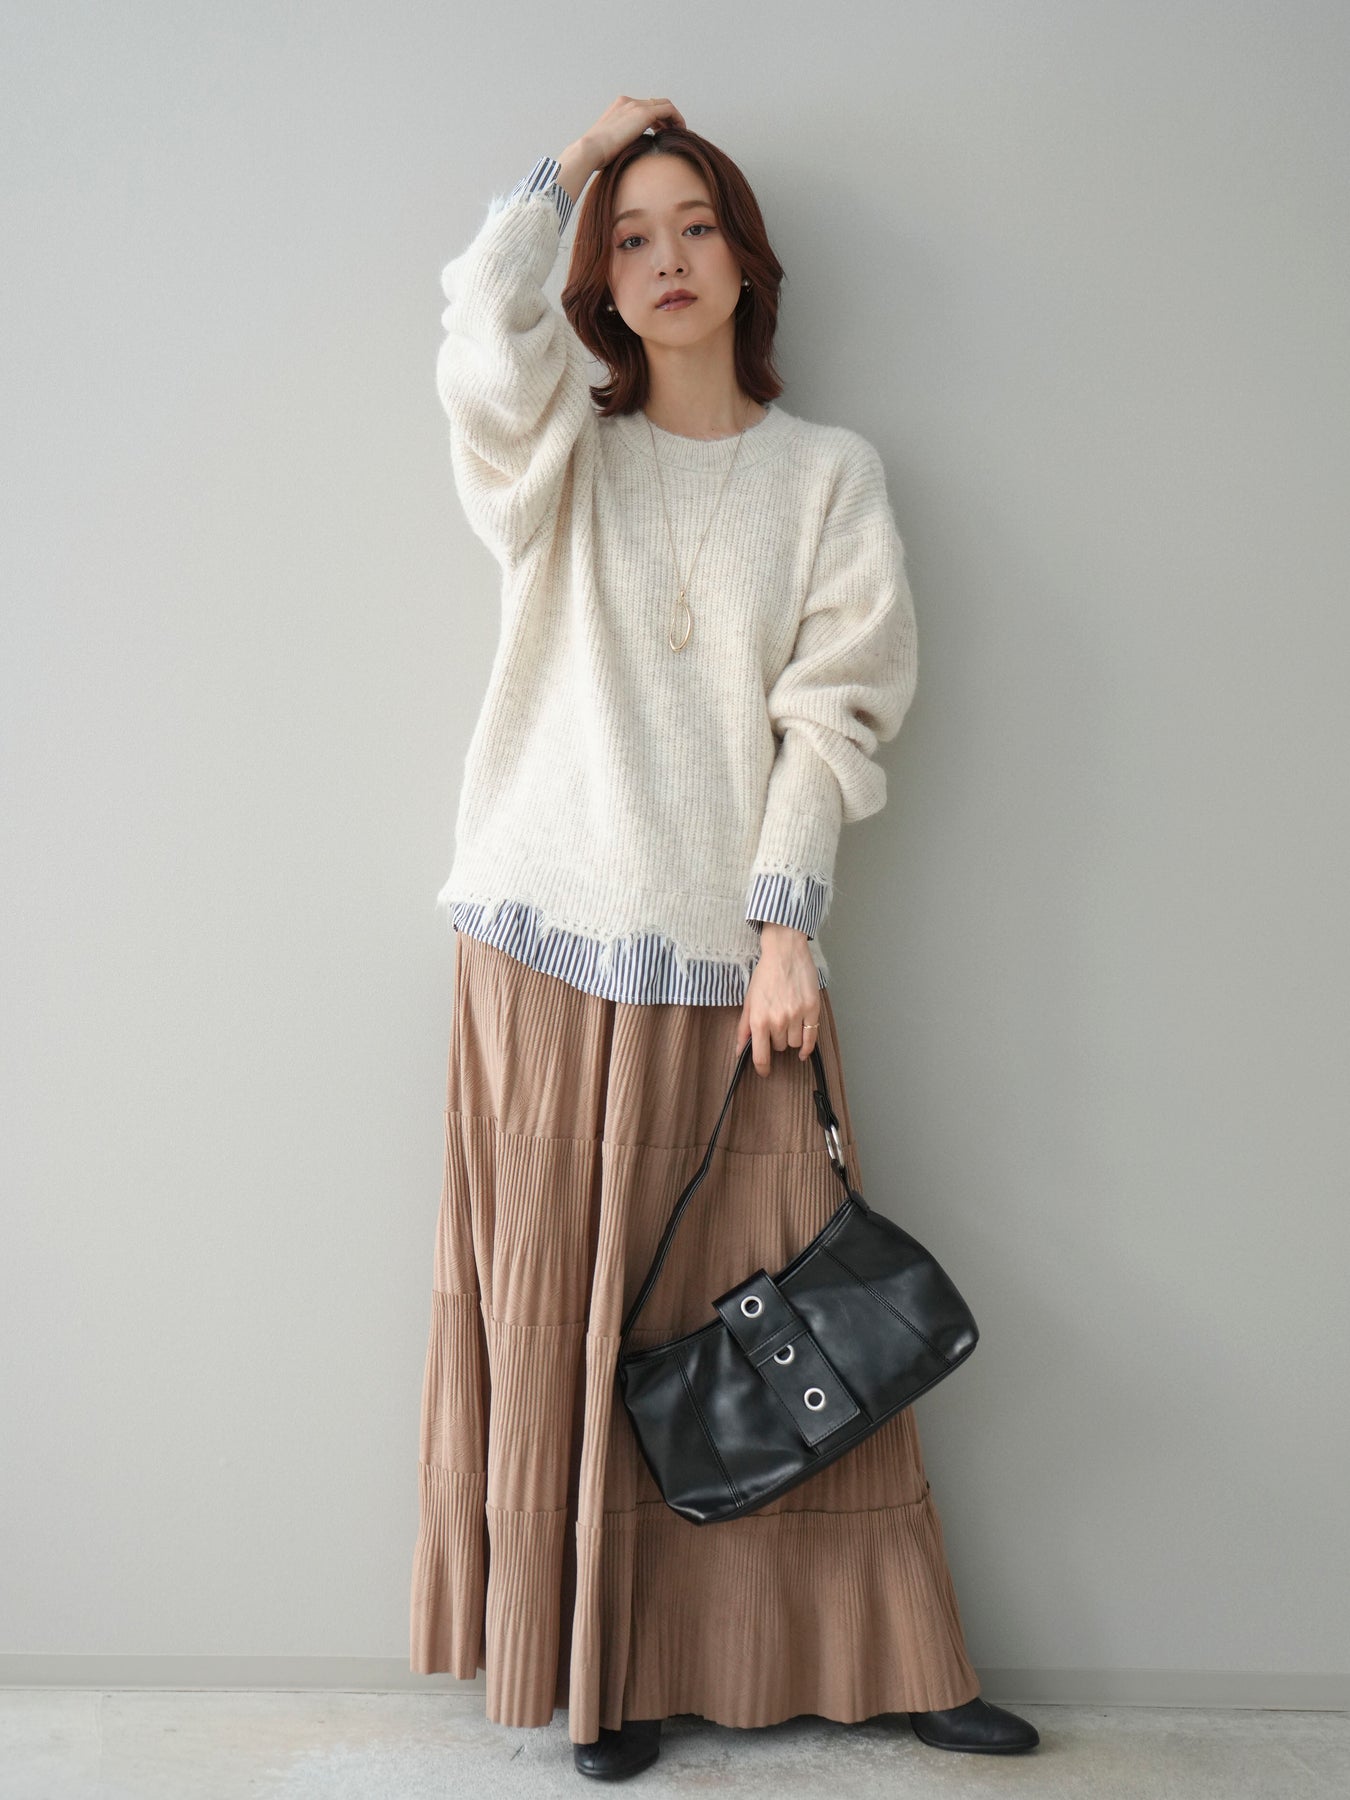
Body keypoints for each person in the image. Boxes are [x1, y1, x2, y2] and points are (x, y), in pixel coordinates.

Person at [409, 95, 1039, 1780]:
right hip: (542, 953)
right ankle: (599, 1671)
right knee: (575, 1322)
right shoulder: (557, 451)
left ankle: (883, 1656)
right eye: (628, 237)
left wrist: (784, 929)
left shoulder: (829, 477)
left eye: (693, 226)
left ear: (744, 259)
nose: (664, 259)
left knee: (802, 1319)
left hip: (734, 969)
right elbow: (477, 337)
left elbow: (832, 719)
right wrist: (568, 165)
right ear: (597, 280)